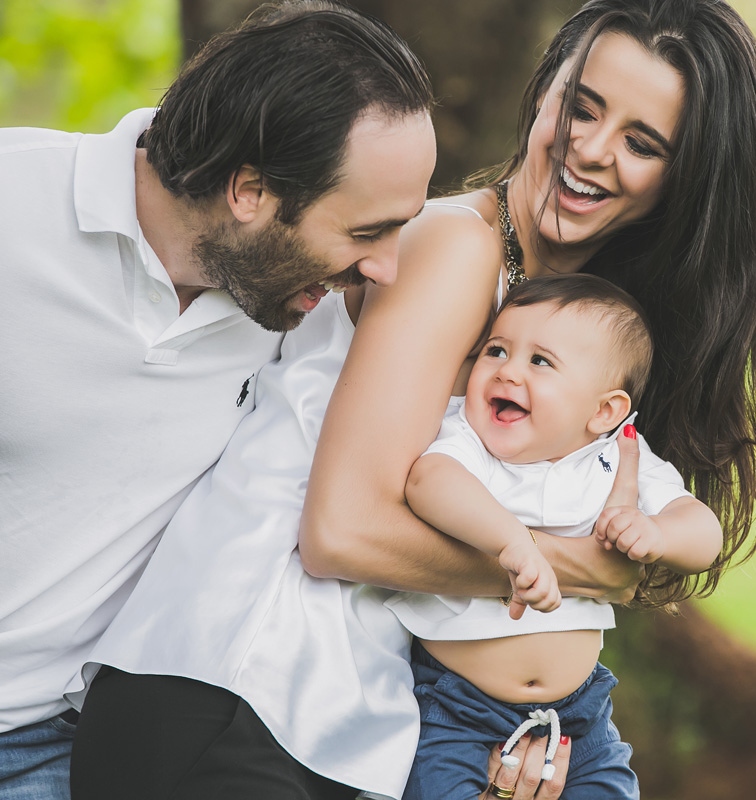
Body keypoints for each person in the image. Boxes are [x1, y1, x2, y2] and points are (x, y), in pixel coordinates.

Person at [70, 1, 756, 799]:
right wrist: (581, 569)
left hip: (332, 724)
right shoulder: (459, 248)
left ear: (685, 181)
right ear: (545, 93)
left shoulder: (570, 319)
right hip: (233, 691)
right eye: (582, 106)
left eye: (642, 143)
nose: (592, 150)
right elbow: (339, 532)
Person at [0, 0, 435, 796]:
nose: (387, 270)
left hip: (68, 745)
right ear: (249, 192)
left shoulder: (303, 313)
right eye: (367, 232)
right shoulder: (12, 210)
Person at [398, 274, 723, 800]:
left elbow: (705, 534)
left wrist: (655, 531)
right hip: (458, 709)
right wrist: (512, 541)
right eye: (496, 350)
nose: (507, 370)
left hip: (580, 716)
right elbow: (428, 482)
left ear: (604, 412)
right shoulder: (468, 441)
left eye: (539, 361)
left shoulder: (617, 458)